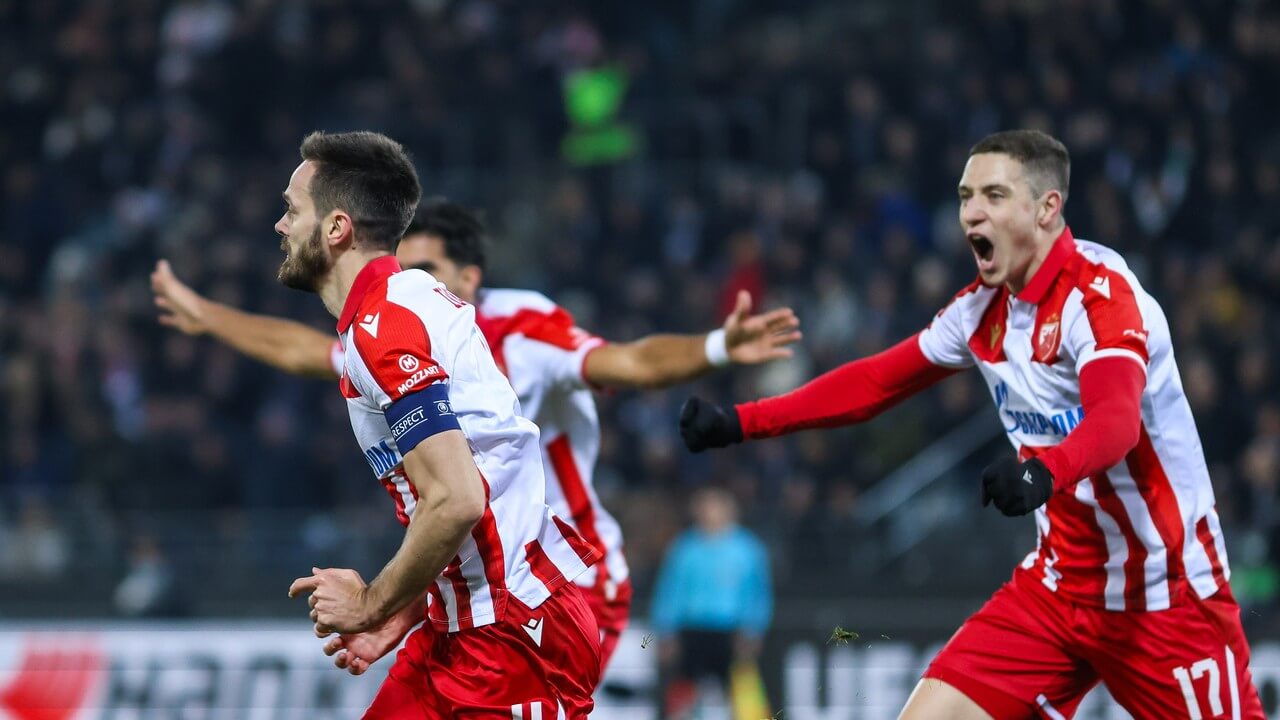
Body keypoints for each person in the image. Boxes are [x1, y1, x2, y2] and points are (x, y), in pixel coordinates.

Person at [678, 129, 1265, 719]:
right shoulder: (980, 311)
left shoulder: (1101, 298)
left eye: (993, 195)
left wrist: (1041, 474)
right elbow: (876, 382)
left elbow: (1116, 423)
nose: (971, 213)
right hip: (1057, 591)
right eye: (965, 196)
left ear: (1046, 209)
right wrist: (741, 422)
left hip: (1165, 595)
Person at [152, 200, 801, 673]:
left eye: (428, 266)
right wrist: (208, 317)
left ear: (469, 279)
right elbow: (303, 351)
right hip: (476, 582)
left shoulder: (523, 327)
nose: (407, 279)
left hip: (563, 575)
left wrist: (717, 346)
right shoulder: (395, 334)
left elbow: (629, 362)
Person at [273, 130, 602, 718]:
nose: (281, 226)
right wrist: (403, 611)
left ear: (337, 227)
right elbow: (474, 473)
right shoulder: (410, 296)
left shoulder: (383, 328)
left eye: (293, 210)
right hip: (457, 623)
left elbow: (457, 498)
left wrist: (371, 603)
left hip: (507, 636)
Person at [650, 487, 772, 718]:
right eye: (704, 506)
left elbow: (758, 593)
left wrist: (753, 629)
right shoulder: (685, 548)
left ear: (729, 510)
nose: (709, 512)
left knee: (744, 692)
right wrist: (666, 630)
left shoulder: (747, 549)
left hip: (732, 631)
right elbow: (670, 590)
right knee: (683, 693)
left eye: (714, 506)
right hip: (692, 629)